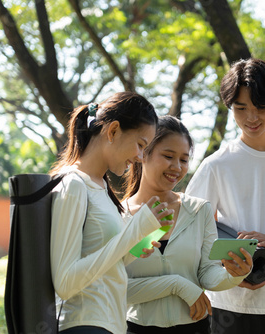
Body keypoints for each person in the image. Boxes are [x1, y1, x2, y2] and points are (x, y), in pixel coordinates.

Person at [185, 58, 265, 334]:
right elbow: (190, 231)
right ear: (230, 108)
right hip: (230, 306)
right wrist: (227, 273)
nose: (251, 118)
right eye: (241, 109)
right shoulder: (216, 165)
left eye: (260, 107)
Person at [50, 92, 174, 334]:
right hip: (83, 323)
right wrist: (134, 230)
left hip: (110, 323)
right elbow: (65, 283)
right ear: (114, 130)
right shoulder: (74, 184)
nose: (140, 157)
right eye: (140, 144)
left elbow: (106, 260)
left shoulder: (102, 187)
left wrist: (139, 240)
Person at [123, 115, 253, 334]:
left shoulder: (199, 210)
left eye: (184, 160)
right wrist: (178, 285)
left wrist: (234, 274)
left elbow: (207, 274)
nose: (176, 167)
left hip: (195, 328)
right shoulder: (120, 215)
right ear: (143, 153)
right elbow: (119, 288)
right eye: (168, 156)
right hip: (136, 329)